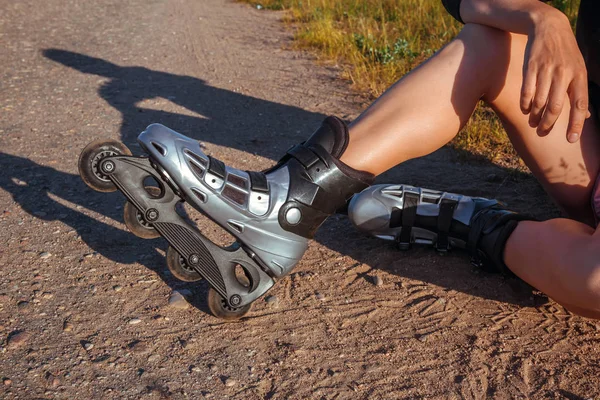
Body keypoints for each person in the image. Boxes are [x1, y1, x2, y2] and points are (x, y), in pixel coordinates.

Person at [338, 0, 600, 319]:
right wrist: (545, 18)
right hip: (585, 145)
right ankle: (300, 188)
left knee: (593, 280)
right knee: (488, 44)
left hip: (579, 175)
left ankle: (479, 224)